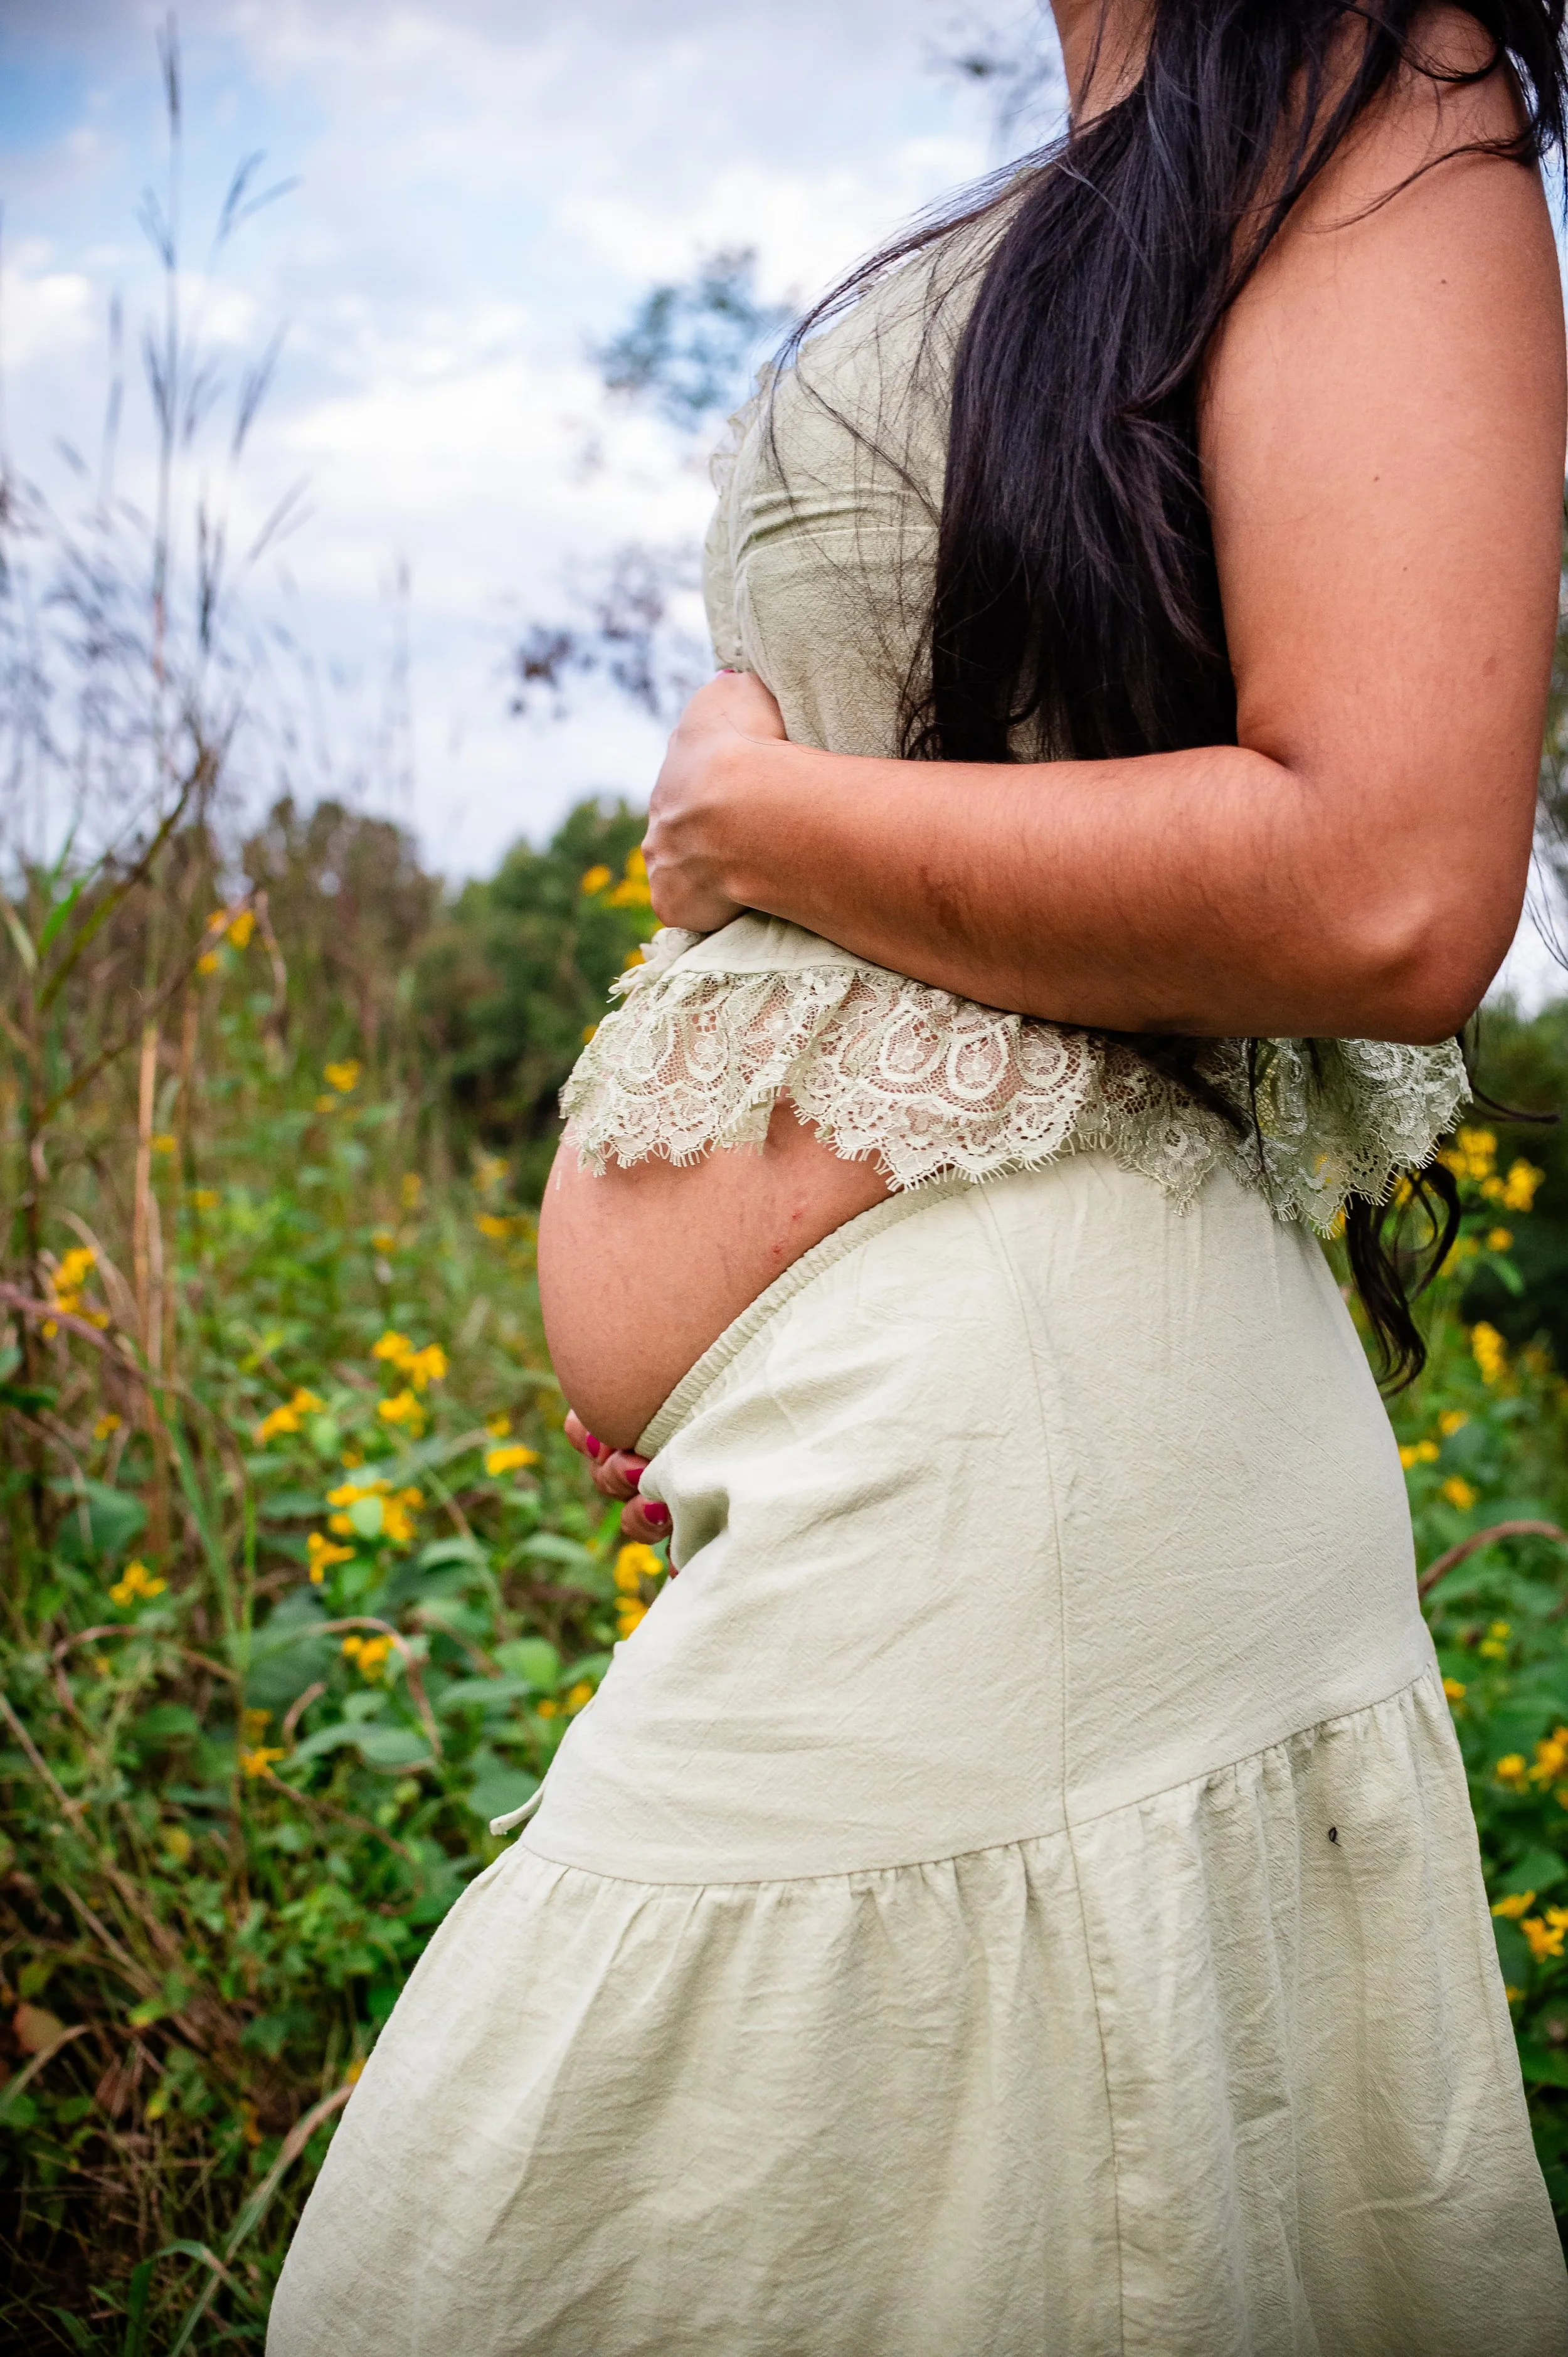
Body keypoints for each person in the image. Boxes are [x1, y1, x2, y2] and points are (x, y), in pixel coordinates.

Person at [270, 4, 1568, 2349]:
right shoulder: (1118, 151)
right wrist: (761, 1355)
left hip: (1047, 1476)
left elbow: (1387, 873)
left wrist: (745, 820)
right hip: (931, 1460)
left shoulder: (1378, 87)